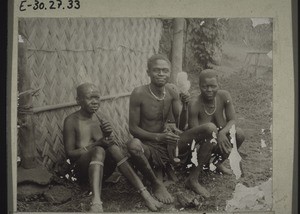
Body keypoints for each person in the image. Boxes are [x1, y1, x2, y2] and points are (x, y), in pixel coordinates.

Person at [63, 83, 162, 212]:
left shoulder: (101, 117)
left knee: (114, 148)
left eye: (97, 98)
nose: (94, 102)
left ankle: (145, 194)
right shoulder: (71, 121)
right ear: (78, 100)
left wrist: (107, 136)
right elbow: (69, 154)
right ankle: (96, 202)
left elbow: (108, 145)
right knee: (98, 150)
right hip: (80, 173)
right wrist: (98, 144)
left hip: (102, 171)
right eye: (89, 98)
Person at [127, 54, 190, 204]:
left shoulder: (171, 92)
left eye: (165, 70)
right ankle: (156, 184)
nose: (161, 74)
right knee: (133, 145)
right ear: (148, 72)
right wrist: (158, 137)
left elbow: (181, 126)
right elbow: (133, 128)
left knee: (206, 130)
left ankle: (183, 174)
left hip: (167, 144)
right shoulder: (139, 93)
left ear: (169, 73)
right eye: (156, 70)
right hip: (148, 145)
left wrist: (186, 106)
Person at [185, 69, 245, 198]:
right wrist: (217, 135)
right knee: (210, 132)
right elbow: (196, 136)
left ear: (219, 85)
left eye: (213, 86)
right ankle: (193, 179)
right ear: (199, 86)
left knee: (239, 134)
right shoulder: (194, 104)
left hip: (216, 140)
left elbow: (232, 120)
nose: (209, 90)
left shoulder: (224, 96)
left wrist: (222, 132)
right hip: (198, 148)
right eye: (205, 86)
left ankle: (217, 163)